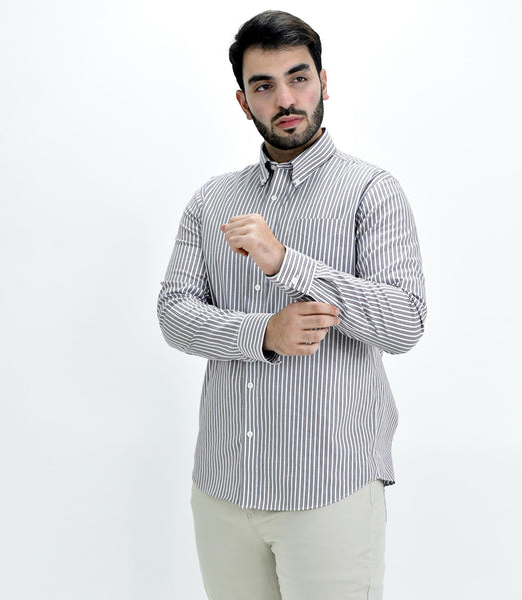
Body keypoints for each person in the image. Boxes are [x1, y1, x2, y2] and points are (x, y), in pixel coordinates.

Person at [157, 10, 426, 600]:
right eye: (264, 85)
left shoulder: (371, 191)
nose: (285, 99)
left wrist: (286, 262)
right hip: (223, 491)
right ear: (243, 101)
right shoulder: (212, 200)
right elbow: (174, 312)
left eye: (298, 78)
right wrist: (263, 334)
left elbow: (405, 322)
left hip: (330, 491)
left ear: (323, 81)